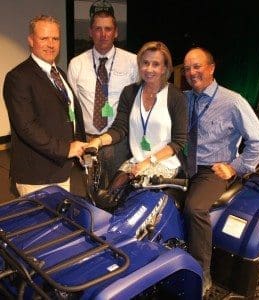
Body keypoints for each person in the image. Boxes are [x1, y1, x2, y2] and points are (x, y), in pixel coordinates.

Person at [182, 47, 259, 295]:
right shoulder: (184, 98)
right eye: (187, 68)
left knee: (195, 208)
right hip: (184, 164)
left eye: (197, 66)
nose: (191, 72)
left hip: (212, 170)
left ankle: (201, 274)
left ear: (211, 68)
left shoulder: (233, 102)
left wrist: (235, 167)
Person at [86, 41, 188, 206]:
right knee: (108, 199)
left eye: (156, 64)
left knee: (134, 202)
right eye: (145, 63)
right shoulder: (130, 92)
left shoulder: (176, 97)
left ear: (164, 68)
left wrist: (148, 162)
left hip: (164, 163)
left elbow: (178, 142)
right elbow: (120, 128)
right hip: (137, 161)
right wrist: (97, 141)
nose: (149, 69)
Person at [3, 15, 88, 196]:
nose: (50, 44)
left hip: (60, 168)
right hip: (37, 176)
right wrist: (67, 149)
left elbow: (68, 113)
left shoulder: (59, 74)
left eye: (55, 38)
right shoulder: (18, 77)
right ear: (31, 41)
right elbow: (27, 127)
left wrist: (79, 145)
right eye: (44, 38)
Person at [67, 5, 138, 189]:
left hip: (119, 141)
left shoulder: (133, 62)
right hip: (89, 141)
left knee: (117, 190)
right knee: (91, 189)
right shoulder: (77, 64)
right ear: (90, 32)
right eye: (98, 29)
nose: (103, 34)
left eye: (108, 29)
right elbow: (72, 107)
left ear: (116, 33)